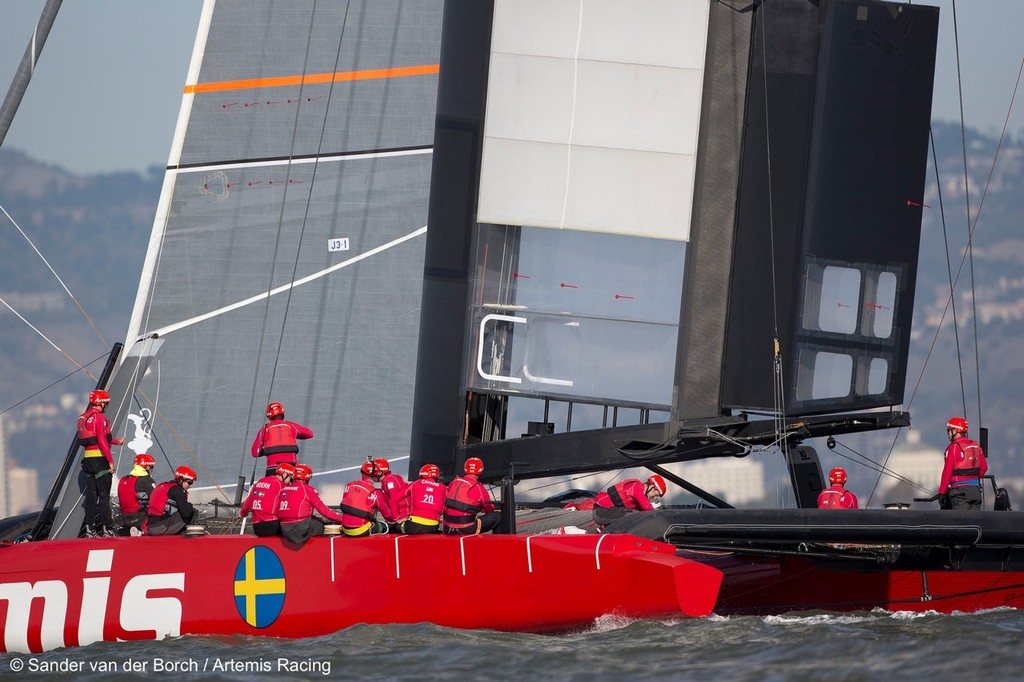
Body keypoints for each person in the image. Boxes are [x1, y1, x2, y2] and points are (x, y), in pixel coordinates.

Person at [77, 389, 125, 538]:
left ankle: (89, 530)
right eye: (106, 403)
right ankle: (107, 529)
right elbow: (102, 441)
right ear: (102, 403)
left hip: (88, 461)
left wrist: (117, 442)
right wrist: (110, 462)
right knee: (104, 496)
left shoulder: (83, 417)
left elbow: (96, 438)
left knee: (91, 496)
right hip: (100, 460)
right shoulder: (100, 419)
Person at [277, 463, 343, 544]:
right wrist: (342, 518)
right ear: (308, 477)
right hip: (300, 529)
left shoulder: (284, 489)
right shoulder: (307, 489)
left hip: (284, 528)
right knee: (323, 525)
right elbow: (323, 510)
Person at [250, 401, 314, 477]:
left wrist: (266, 451)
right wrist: (295, 436)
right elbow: (310, 434)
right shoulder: (291, 426)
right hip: (291, 468)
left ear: (269, 417)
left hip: (273, 469)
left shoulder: (264, 430)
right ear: (282, 414)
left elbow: (255, 453)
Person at [939, 416, 989, 510]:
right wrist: (972, 478)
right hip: (976, 492)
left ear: (955, 431)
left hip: (960, 493)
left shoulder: (953, 448)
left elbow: (947, 472)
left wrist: (942, 492)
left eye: (949, 430)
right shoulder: (976, 446)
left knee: (962, 522)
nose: (948, 434)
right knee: (974, 522)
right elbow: (984, 467)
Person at [442, 457, 501, 535]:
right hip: (465, 529)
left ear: (465, 469)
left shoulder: (453, 482)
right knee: (498, 516)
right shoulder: (478, 487)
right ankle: (497, 544)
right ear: (481, 470)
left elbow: (446, 505)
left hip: (447, 528)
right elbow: (489, 510)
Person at [239, 462, 295, 537]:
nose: (290, 482)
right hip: (273, 525)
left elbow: (249, 500)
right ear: (285, 474)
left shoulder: (260, 481)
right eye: (290, 479)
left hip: (257, 527)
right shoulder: (281, 485)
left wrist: (242, 513)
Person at [339, 460, 392, 537]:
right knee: (385, 526)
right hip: (360, 530)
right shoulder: (376, 493)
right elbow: (388, 516)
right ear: (376, 475)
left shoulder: (349, 486)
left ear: (362, 473)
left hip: (345, 529)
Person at [592, 474, 666, 526]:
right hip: (601, 512)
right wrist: (657, 513)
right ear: (652, 487)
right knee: (634, 514)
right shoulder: (636, 487)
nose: (655, 497)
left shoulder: (639, 491)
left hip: (607, 512)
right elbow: (646, 507)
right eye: (656, 494)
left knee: (636, 513)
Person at [147, 465, 198, 535]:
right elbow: (186, 513)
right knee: (193, 511)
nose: (190, 485)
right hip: (161, 527)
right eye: (189, 482)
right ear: (181, 480)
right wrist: (190, 506)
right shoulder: (178, 490)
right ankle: (191, 536)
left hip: (150, 526)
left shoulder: (163, 485)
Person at [400, 464, 446, 535]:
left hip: (413, 526)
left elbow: (393, 500)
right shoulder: (443, 487)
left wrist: (396, 518)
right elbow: (448, 505)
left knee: (395, 526)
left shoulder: (417, 483)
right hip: (433, 527)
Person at [117, 453, 156, 536]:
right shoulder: (146, 480)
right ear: (147, 467)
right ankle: (143, 531)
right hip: (140, 518)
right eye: (152, 467)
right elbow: (157, 499)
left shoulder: (123, 480)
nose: (152, 470)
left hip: (125, 519)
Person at [375, 457, 410, 529]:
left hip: (402, 517)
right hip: (400, 516)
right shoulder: (388, 480)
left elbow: (394, 501)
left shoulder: (390, 481)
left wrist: (396, 519)